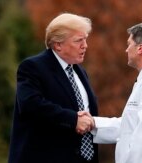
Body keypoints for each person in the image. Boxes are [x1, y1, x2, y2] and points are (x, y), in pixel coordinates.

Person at [81, 22, 142, 163]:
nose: (126, 50)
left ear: (140, 48)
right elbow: (130, 127)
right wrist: (93, 123)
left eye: (129, 44)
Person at [8, 13, 98, 163]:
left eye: (85, 39)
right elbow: (30, 105)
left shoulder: (80, 71)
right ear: (58, 45)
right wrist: (73, 119)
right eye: (79, 40)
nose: (85, 45)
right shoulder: (32, 67)